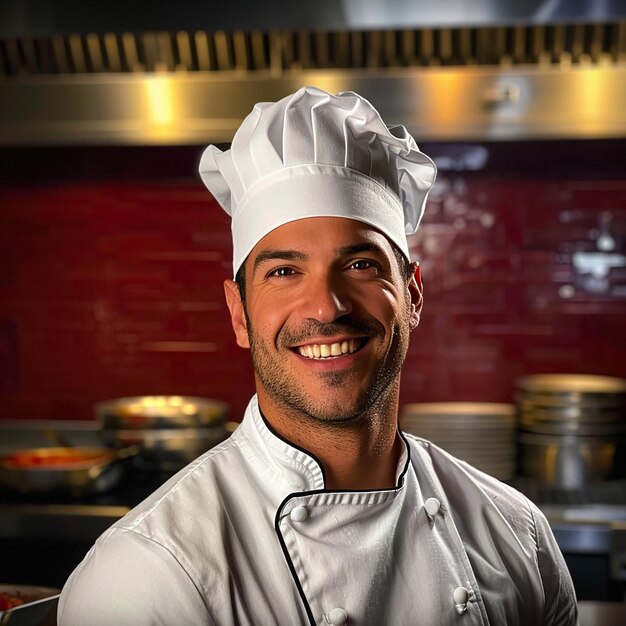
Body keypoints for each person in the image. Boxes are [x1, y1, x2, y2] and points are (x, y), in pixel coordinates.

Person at [58, 86, 578, 625]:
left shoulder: (518, 534)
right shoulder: (148, 578)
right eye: (283, 272)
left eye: (359, 265)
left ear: (413, 294)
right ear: (239, 314)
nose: (326, 308)